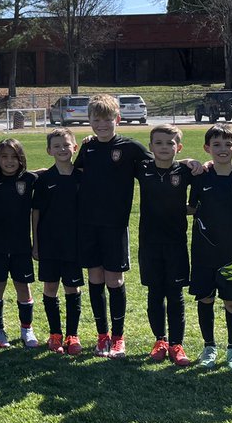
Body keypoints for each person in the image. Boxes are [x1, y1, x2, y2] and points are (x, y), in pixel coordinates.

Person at [74, 94, 150, 359]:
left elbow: (159, 166)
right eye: (96, 120)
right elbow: (73, 176)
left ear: (117, 119)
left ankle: (118, 337)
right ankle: (102, 335)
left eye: (107, 119)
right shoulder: (88, 148)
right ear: (90, 121)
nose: (102, 125)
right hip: (88, 224)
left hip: (115, 225)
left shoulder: (130, 148)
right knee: (94, 278)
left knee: (114, 279)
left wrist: (192, 164)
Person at [189, 124, 232, 370]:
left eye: (228, 144)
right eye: (216, 145)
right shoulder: (201, 177)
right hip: (203, 252)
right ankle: (209, 346)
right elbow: (191, 208)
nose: (222, 149)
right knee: (205, 298)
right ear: (207, 148)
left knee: (231, 302)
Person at [134, 125, 194, 367]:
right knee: (155, 292)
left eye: (170, 143)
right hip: (149, 242)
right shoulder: (142, 169)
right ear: (150, 147)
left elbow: (203, 194)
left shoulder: (186, 171)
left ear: (178, 147)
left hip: (176, 242)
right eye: (158, 143)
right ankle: (160, 340)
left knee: (175, 294)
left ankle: (177, 344)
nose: (164, 147)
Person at [31, 128, 83, 356]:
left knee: (72, 287)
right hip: (49, 242)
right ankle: (55, 334)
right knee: (50, 287)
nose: (62, 149)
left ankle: (72, 334)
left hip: (75, 243)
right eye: (57, 146)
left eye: (66, 145)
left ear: (75, 147)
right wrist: (35, 242)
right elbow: (36, 213)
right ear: (49, 150)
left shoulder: (83, 177)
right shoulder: (44, 179)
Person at [0, 138, 38, 348]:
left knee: (22, 287)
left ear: (21, 158)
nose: (9, 161)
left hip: (21, 245)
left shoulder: (29, 179)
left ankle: (27, 329)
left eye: (14, 157)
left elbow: (49, 171)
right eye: (4, 157)